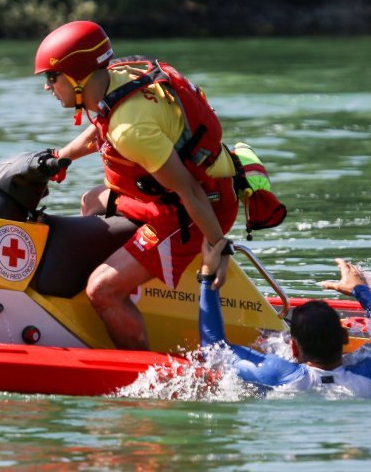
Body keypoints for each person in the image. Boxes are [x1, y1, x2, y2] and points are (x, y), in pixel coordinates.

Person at [34, 20, 239, 350]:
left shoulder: (131, 130)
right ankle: (123, 285)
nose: (48, 87)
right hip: (167, 195)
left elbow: (189, 190)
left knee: (99, 290)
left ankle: (131, 349)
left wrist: (218, 248)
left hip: (193, 211)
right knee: (91, 201)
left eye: (51, 77)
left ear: (74, 77)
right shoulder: (114, 78)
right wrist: (62, 157)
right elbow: (103, 124)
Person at [198, 239, 371, 399]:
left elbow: (214, 348)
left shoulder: (276, 375)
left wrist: (207, 277)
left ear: (294, 348)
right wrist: (360, 289)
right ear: (345, 337)